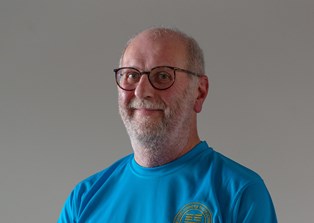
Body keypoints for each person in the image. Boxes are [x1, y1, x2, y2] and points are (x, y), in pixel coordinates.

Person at [58, 27, 277, 222]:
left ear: (199, 92)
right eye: (131, 75)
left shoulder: (239, 194)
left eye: (162, 76)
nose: (141, 91)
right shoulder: (84, 199)